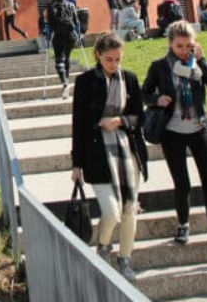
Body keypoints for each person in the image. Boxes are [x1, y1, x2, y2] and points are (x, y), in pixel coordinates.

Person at [141, 20, 207, 269]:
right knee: (182, 182)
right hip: (172, 131)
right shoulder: (160, 67)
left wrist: (202, 61)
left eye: (188, 45)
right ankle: (183, 223)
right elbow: (143, 93)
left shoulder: (197, 66)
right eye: (179, 46)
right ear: (170, 44)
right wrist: (156, 99)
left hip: (198, 129)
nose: (184, 50)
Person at [70, 32, 148, 283]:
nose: (114, 64)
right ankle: (103, 247)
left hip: (127, 154)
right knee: (111, 212)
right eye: (109, 60)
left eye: (118, 59)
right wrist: (77, 163)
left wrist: (120, 121)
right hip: (97, 154)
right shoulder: (85, 82)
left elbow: (140, 117)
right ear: (98, 56)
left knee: (129, 211)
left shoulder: (130, 79)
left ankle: (125, 259)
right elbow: (79, 124)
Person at [47, 0, 80, 98]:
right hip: (71, 36)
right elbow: (76, 21)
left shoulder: (51, 7)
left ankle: (65, 82)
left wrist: (47, 35)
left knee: (59, 61)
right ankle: (66, 80)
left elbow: (50, 24)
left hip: (59, 36)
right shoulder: (71, 5)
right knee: (67, 57)